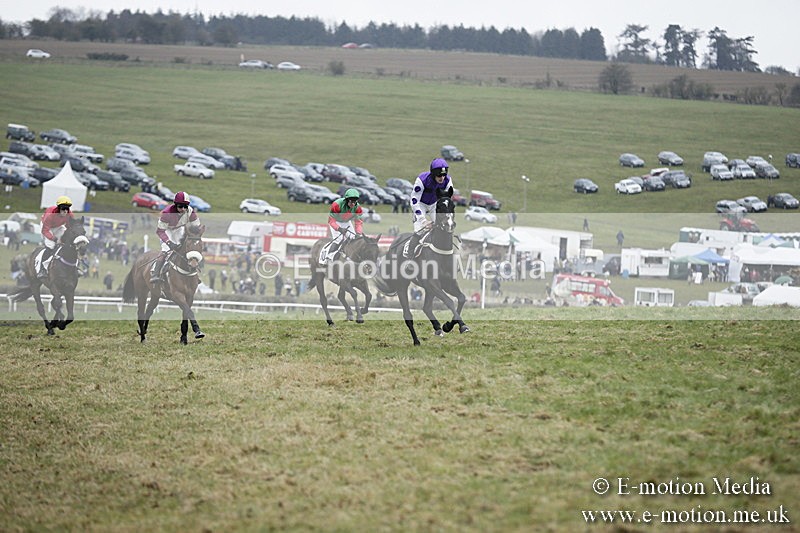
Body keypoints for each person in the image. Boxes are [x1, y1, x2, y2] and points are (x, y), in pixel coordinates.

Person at [150, 191, 201, 283]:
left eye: (185, 206)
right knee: (166, 251)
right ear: (175, 205)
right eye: (180, 206)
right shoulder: (166, 213)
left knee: (187, 248)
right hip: (167, 230)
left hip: (179, 229)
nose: (183, 209)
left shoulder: (190, 211)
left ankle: (194, 273)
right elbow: (160, 231)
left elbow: (196, 226)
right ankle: (155, 274)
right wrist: (169, 243)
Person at [407, 158, 454, 257]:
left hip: (434, 205)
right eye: (439, 175)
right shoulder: (422, 180)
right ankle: (410, 257)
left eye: (444, 175)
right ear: (433, 174)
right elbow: (414, 201)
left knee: (444, 227)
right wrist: (423, 221)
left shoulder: (448, 181)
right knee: (420, 230)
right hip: (421, 204)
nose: (442, 178)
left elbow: (447, 201)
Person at [318, 188, 364, 265]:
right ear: (346, 199)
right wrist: (339, 228)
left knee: (354, 239)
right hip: (335, 222)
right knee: (338, 240)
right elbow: (331, 221)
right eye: (351, 201)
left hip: (346, 222)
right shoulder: (337, 204)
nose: (353, 204)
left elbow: (358, 222)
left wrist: (358, 233)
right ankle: (328, 257)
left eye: (355, 201)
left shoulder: (358, 208)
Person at [37, 195, 75, 280]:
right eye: (63, 208)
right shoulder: (50, 215)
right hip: (46, 227)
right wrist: (54, 238)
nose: (65, 211)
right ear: (58, 208)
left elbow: (69, 227)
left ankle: (72, 267)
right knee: (51, 245)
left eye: (67, 208)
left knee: (66, 241)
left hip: (58, 226)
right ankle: (42, 269)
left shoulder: (70, 215)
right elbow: (45, 230)